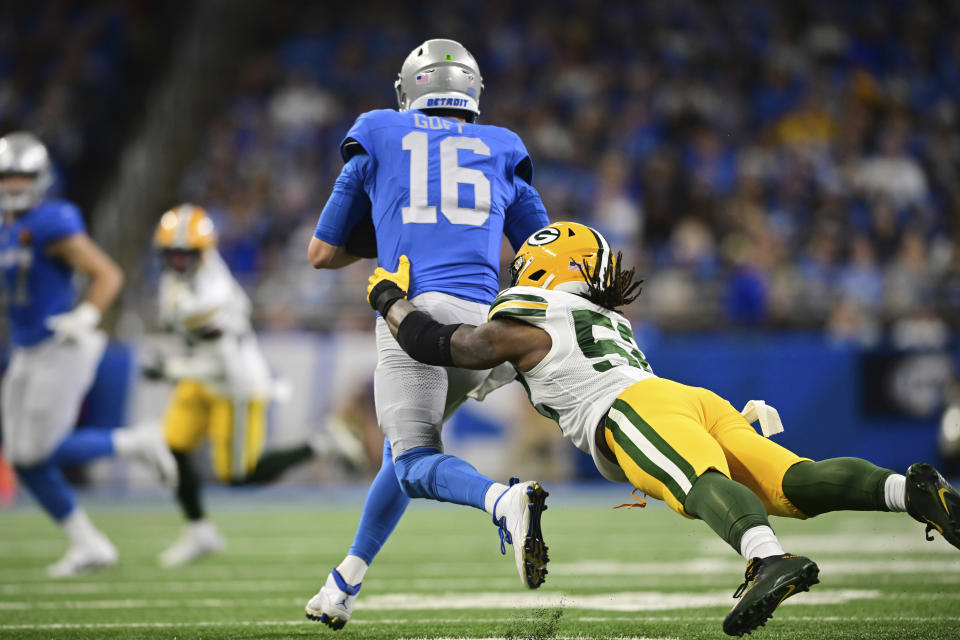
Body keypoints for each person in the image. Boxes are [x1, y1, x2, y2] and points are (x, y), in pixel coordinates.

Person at [366, 220, 960, 637]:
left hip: (630, 408)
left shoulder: (531, 313)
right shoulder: (598, 311)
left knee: (696, 484)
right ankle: (909, 490)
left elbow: (445, 344)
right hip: (684, 398)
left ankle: (767, 559)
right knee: (794, 483)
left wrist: (390, 299)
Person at [305, 39, 552, 628]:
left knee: (415, 459)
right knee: (403, 452)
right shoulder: (503, 146)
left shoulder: (378, 131)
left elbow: (321, 252)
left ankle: (502, 501)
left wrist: (397, 232)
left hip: (414, 316)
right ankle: (344, 582)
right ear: (471, 92)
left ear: (408, 89)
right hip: (485, 330)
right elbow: (546, 253)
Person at [148, 203, 365, 567]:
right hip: (199, 374)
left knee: (236, 475)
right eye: (173, 253)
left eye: (186, 254)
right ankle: (199, 531)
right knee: (175, 445)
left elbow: (223, 361)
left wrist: (171, 369)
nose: (179, 261)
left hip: (233, 383)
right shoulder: (181, 280)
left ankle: (320, 443)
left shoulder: (210, 298)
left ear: (202, 252)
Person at [0, 131, 176, 577]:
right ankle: (89, 543)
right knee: (22, 457)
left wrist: (85, 316)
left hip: (62, 344)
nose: (16, 184)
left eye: (23, 176)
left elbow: (107, 275)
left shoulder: (51, 220)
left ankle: (136, 441)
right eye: (8, 176)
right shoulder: (5, 227)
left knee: (37, 451)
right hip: (25, 348)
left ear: (40, 178)